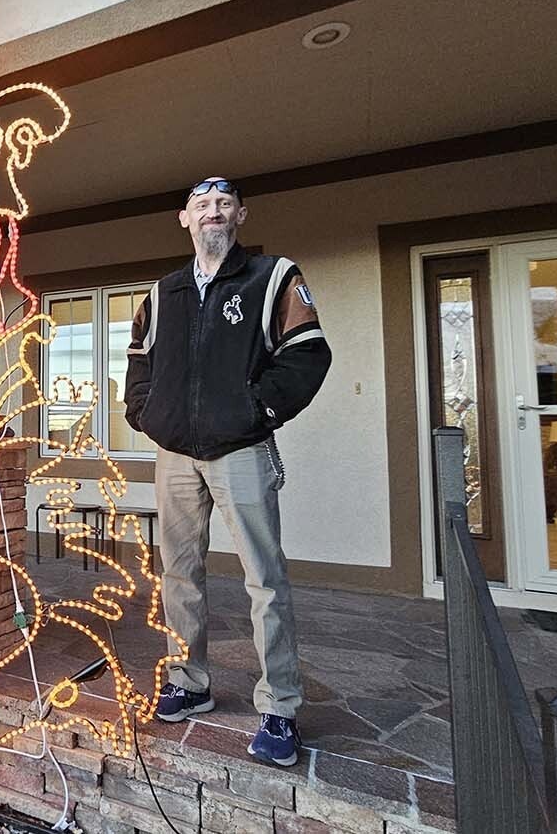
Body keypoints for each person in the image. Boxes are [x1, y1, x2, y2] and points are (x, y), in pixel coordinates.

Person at [124, 177, 331, 767]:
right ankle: (189, 682)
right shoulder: (164, 293)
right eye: (200, 205)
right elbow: (138, 360)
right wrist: (144, 413)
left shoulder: (272, 278)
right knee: (178, 573)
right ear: (183, 219)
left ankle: (280, 707)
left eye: (223, 204)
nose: (212, 212)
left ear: (241, 214)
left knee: (265, 579)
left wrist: (255, 411)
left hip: (241, 449)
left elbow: (308, 353)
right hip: (175, 454)